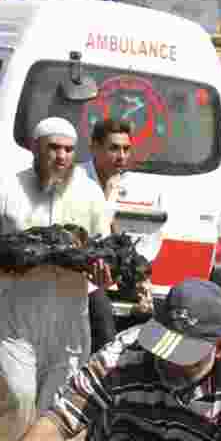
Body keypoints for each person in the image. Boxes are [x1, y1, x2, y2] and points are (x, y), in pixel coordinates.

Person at [7, 279, 221, 441]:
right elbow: (52, 425)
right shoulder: (120, 357)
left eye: (182, 355)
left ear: (220, 348)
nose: (166, 361)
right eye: (163, 346)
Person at [0, 116, 111, 441]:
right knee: (19, 398)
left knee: (53, 412)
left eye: (67, 150)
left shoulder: (90, 195)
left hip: (68, 318)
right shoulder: (7, 189)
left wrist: (104, 275)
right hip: (15, 314)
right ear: (36, 149)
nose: (61, 156)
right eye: (53, 148)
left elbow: (105, 253)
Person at [82, 118, 134, 353]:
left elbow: (109, 223)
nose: (121, 156)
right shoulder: (77, 180)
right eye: (114, 148)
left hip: (98, 276)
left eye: (126, 149)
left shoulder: (117, 182)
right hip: (74, 277)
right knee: (105, 340)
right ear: (94, 147)